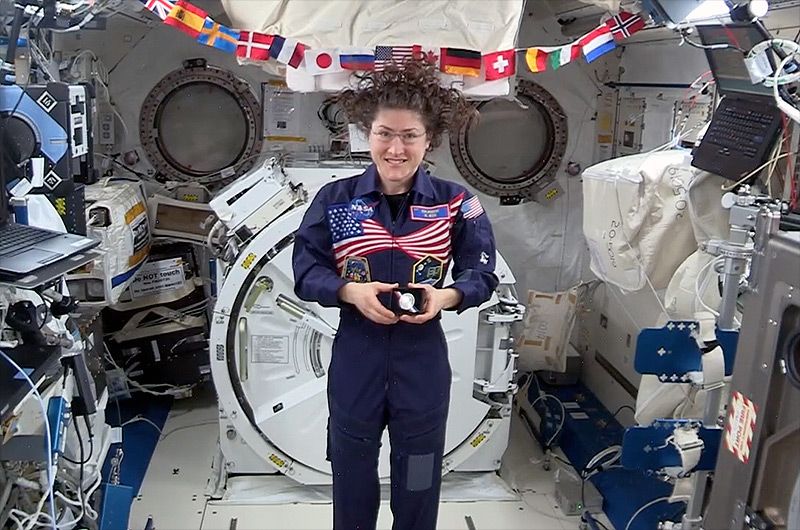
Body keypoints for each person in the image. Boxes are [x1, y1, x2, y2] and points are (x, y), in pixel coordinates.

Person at [291, 59, 499, 530]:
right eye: (385, 133)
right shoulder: (335, 200)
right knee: (351, 477)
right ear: (368, 133)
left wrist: (444, 298)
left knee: (420, 479)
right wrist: (350, 291)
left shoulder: (457, 202)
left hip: (421, 362)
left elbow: (480, 274)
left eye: (409, 136)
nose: (396, 147)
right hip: (356, 359)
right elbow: (306, 270)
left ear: (429, 141)